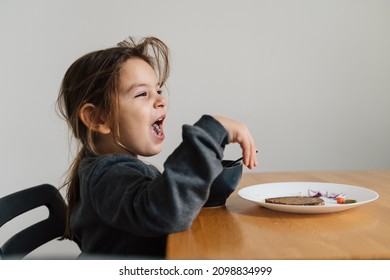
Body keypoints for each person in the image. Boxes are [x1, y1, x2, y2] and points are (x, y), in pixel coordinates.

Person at [57, 36, 258, 258]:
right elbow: (164, 213)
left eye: (158, 90)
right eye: (142, 94)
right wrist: (211, 133)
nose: (160, 100)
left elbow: (165, 200)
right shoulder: (107, 176)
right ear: (98, 118)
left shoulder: (111, 170)